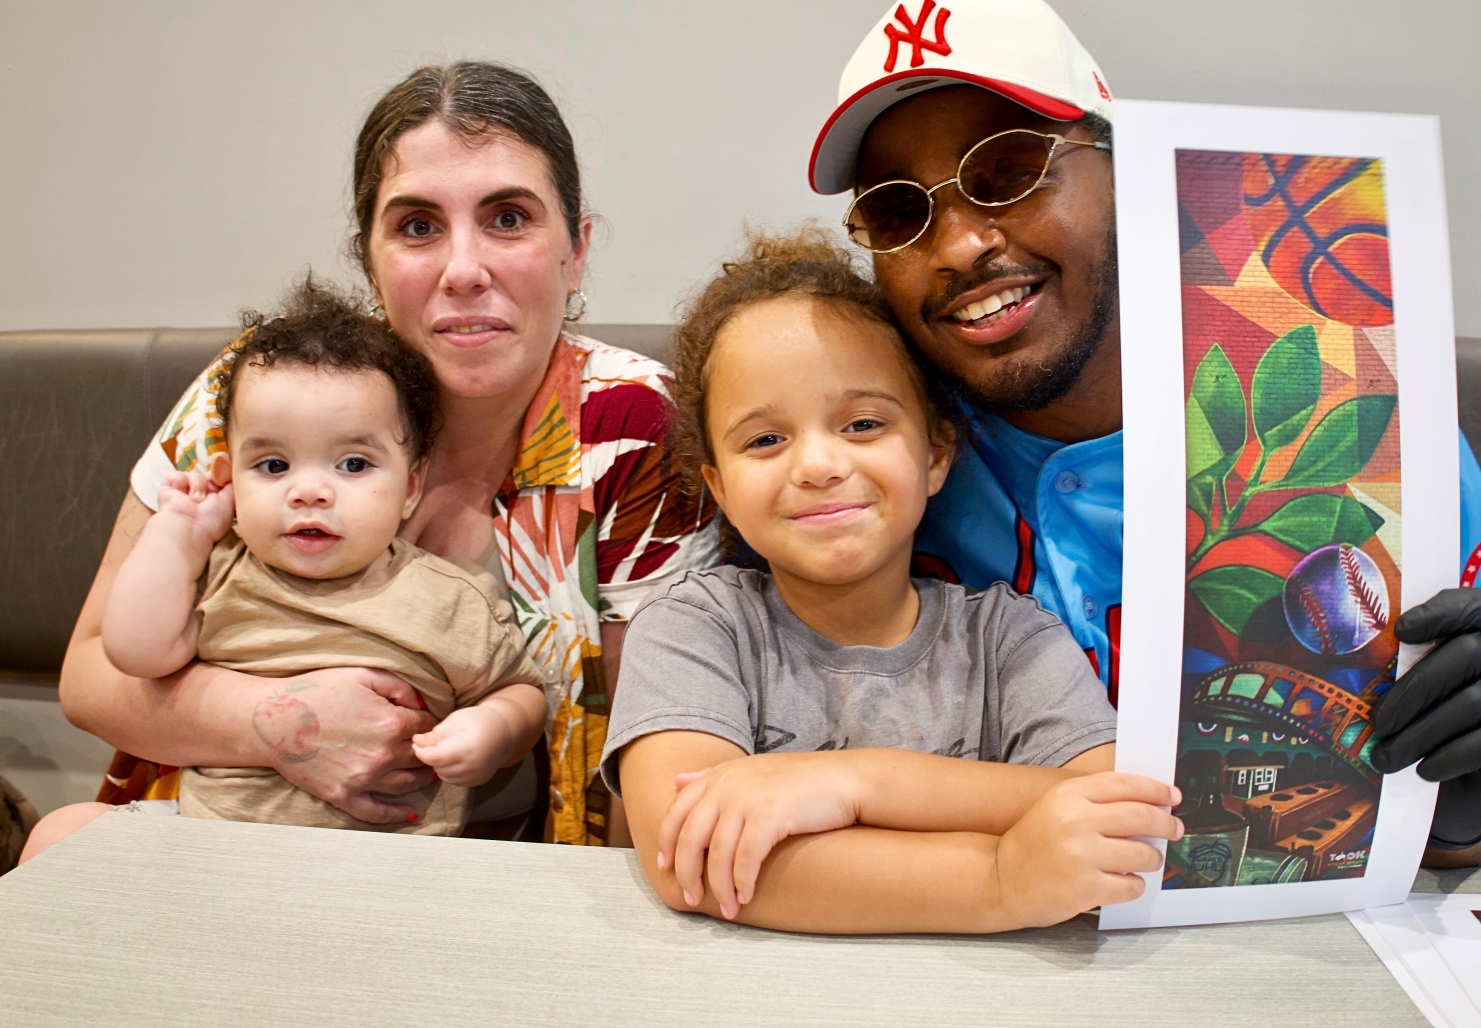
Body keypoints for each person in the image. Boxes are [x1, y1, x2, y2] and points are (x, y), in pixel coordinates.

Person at [807, 0, 1481, 867]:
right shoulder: (865, 463)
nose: (960, 244)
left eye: (1008, 168)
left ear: (1128, 172)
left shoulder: (1361, 422)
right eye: (901, 211)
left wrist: (1465, 810)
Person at [57, 61, 718, 846]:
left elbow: (642, 757)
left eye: (508, 218)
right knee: (59, 840)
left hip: (505, 880)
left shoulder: (634, 426)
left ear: (575, 250)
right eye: (417, 227)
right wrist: (284, 725)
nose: (463, 270)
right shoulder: (260, 390)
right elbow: (92, 675)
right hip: (223, 837)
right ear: (368, 259)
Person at [604, 230, 1183, 933]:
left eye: (863, 422)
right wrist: (1001, 876)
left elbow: (1118, 806)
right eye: (765, 439)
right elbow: (687, 856)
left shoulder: (1011, 638)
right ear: (720, 489)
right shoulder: (693, 627)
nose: (817, 464)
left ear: (937, 453)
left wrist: (848, 783)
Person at [24, 285, 549, 859]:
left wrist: (493, 732)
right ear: (229, 475)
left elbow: (520, 692)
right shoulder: (219, 569)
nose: (309, 491)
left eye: (353, 464)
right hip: (206, 836)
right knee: (60, 833)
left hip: (391, 858)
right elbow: (134, 652)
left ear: (411, 487)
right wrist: (179, 535)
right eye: (273, 465)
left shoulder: (448, 597)